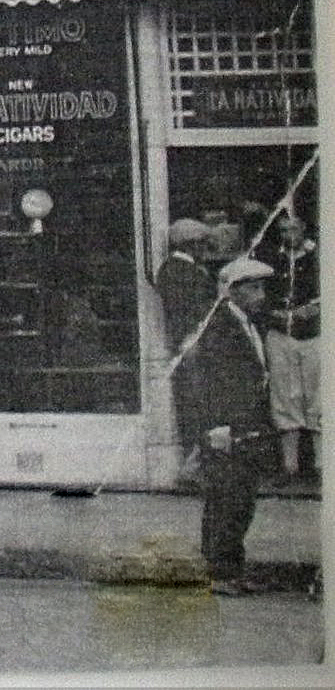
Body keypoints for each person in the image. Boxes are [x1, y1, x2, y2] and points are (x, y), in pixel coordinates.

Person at [172, 256, 278, 595]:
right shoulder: (219, 327)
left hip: (246, 426)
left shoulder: (247, 323)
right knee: (226, 501)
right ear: (232, 291)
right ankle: (218, 572)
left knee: (241, 501)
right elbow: (209, 381)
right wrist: (217, 425)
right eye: (254, 288)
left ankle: (231, 568)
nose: (261, 295)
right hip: (225, 429)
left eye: (262, 287)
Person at [261, 210, 320, 484]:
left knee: (317, 394)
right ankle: (290, 466)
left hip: (314, 336)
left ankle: (321, 464)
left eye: (294, 229)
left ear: (304, 229)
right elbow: (260, 296)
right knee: (285, 396)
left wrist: (315, 309)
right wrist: (272, 313)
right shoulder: (272, 260)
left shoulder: (319, 257)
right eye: (284, 230)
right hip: (281, 334)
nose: (289, 235)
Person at [156, 218, 216, 353]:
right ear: (192, 244)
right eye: (203, 243)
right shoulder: (184, 270)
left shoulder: (171, 267)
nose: (205, 249)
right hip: (191, 337)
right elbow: (187, 306)